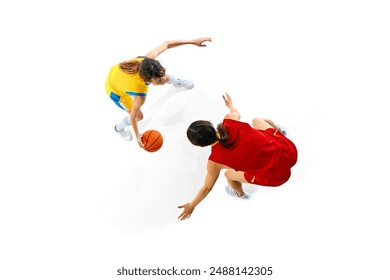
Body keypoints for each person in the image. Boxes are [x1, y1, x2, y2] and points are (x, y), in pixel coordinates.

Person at [178, 93, 298, 220]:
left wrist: (192, 205)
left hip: (277, 176)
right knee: (256, 120)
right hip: (289, 151)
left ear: (201, 146)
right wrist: (230, 106)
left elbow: (207, 187)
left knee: (229, 175)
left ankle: (241, 194)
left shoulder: (214, 162)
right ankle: (280, 131)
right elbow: (235, 112)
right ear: (210, 125)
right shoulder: (229, 120)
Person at [105, 37, 212, 147]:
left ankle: (176, 82)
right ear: (148, 82)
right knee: (139, 117)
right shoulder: (139, 92)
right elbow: (133, 117)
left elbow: (167, 43)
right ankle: (118, 128)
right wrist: (137, 135)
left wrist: (192, 41)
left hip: (119, 73)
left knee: (159, 73)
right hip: (115, 91)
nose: (163, 80)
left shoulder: (146, 62)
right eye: (158, 81)